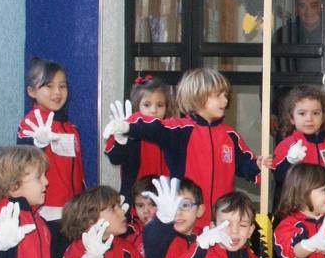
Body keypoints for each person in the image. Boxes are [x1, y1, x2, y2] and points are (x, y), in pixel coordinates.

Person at [104, 67, 264, 215]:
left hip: (221, 219)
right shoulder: (179, 129)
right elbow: (153, 128)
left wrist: (260, 167)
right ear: (198, 97)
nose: (225, 101)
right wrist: (127, 128)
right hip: (186, 220)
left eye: (225, 96)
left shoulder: (230, 134)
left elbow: (247, 165)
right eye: (218, 96)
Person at [17, 58, 85, 258]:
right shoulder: (32, 123)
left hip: (71, 212)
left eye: (62, 86)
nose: (57, 92)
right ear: (32, 91)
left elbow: (78, 170)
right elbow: (21, 158)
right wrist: (35, 143)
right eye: (49, 86)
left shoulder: (71, 128)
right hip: (45, 212)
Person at [273, 85, 325, 224]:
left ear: (323, 117)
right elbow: (279, 178)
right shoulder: (287, 146)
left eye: (316, 113)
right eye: (302, 113)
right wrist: (289, 161)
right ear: (291, 118)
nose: (309, 119)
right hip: (297, 218)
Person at [104, 74, 173, 202]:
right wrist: (121, 140)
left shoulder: (171, 132)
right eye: (147, 105)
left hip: (164, 200)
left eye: (160, 105)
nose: (153, 110)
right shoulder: (128, 129)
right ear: (136, 106)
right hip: (134, 200)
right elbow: (115, 157)